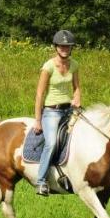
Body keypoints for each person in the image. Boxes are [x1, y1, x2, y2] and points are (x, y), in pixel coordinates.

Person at [32, 29, 82, 196]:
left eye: (67, 46)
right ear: (56, 47)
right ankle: (41, 182)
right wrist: (38, 120)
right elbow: (39, 94)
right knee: (51, 143)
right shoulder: (48, 66)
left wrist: (77, 100)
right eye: (61, 46)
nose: (64, 49)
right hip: (51, 112)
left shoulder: (74, 65)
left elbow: (76, 88)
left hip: (69, 110)